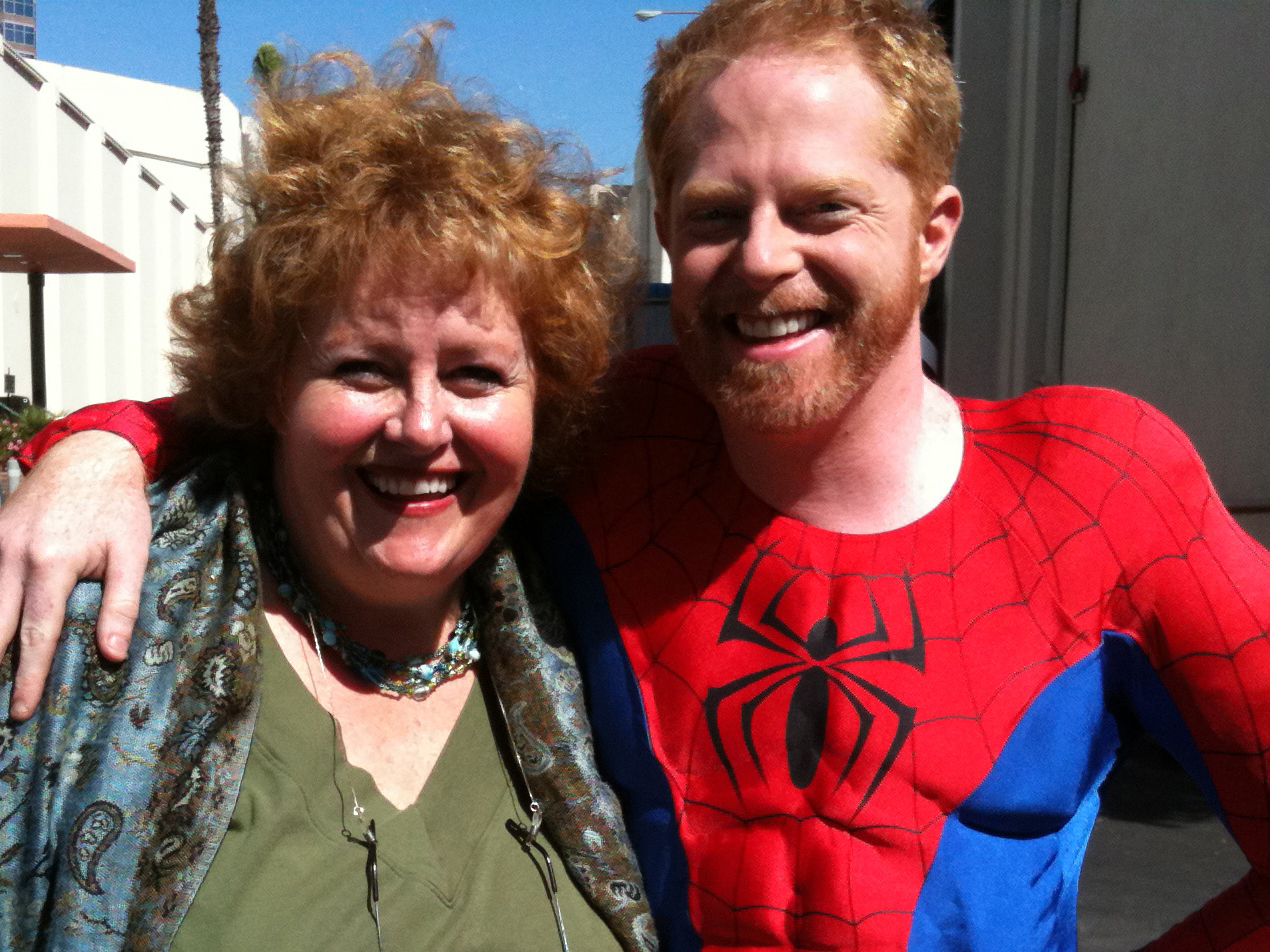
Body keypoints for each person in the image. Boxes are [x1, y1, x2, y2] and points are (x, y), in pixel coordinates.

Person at [4, 1, 1270, 949]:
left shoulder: (1100, 487)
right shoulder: (612, 439)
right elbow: (328, 392)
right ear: (668, 227)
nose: (763, 260)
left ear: (934, 228)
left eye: (824, 208)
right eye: (718, 213)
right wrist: (102, 441)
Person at [0, 31, 657, 952]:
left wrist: (101, 436)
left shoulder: (602, 621)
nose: (423, 426)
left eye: (475, 374)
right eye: (363, 368)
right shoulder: (91, 621)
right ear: (274, 384)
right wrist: (99, 445)